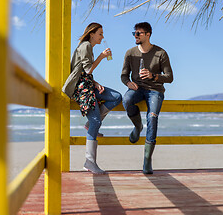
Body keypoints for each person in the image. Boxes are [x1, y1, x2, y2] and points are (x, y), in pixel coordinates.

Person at [62, 22, 122, 174]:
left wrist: (95, 82)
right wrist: (102, 56)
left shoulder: (88, 47)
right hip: (81, 88)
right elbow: (88, 69)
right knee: (97, 120)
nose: (102, 36)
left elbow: (84, 71)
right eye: (100, 33)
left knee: (116, 97)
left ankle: (90, 125)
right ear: (92, 34)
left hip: (88, 84)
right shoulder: (86, 46)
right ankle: (90, 162)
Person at [121, 22, 173, 174]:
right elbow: (124, 75)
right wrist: (128, 82)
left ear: (148, 34)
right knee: (126, 100)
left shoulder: (160, 53)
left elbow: (169, 77)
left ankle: (147, 159)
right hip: (137, 88)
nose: (135, 36)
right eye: (134, 33)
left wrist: (153, 76)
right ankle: (138, 127)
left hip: (155, 90)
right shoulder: (130, 53)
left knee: (152, 117)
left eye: (139, 33)